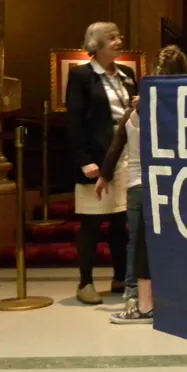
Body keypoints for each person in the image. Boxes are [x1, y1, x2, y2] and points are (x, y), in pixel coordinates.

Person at [97, 45, 187, 324]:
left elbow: (117, 145)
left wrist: (104, 175)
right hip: (175, 184)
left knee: (139, 244)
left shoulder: (138, 109)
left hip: (140, 183)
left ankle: (136, 296)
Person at [66, 22, 138, 305]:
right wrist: (84, 161)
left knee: (121, 221)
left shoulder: (127, 74)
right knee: (92, 223)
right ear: (96, 44)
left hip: (126, 155)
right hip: (96, 158)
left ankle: (120, 276)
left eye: (119, 36)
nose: (119, 41)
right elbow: (74, 123)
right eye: (112, 38)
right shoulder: (81, 75)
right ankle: (85, 283)